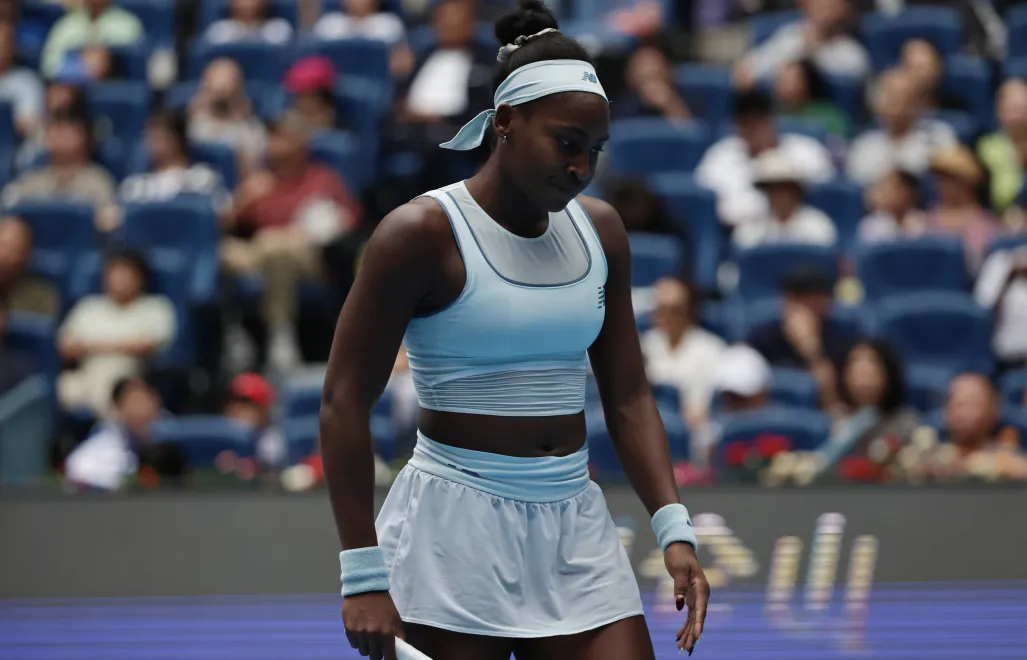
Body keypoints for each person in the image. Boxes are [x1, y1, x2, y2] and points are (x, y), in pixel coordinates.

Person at [319, 2, 710, 659]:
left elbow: (628, 395)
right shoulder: (419, 234)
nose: (582, 167)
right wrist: (361, 571)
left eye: (594, 150)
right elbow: (341, 403)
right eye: (566, 143)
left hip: (575, 525)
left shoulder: (602, 231)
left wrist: (674, 528)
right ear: (505, 122)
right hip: (449, 535)